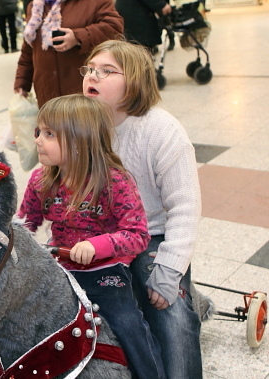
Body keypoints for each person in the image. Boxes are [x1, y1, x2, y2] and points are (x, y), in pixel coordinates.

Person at [18, 94, 165, 379]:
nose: (37, 140)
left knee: (128, 324)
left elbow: (138, 235)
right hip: (58, 269)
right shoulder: (41, 179)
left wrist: (95, 246)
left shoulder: (115, 182)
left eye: (49, 134)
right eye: (39, 131)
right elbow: (27, 221)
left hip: (105, 272)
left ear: (79, 142)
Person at [82, 39, 203, 378]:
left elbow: (185, 207)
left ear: (134, 81)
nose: (93, 76)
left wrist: (169, 269)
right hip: (101, 235)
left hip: (154, 235)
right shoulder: (84, 126)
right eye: (90, 69)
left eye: (107, 71)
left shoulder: (161, 130)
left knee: (172, 315)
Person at [14, 0, 124, 109]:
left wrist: (78, 37)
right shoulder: (36, 5)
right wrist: (22, 82)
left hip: (83, 91)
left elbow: (115, 27)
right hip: (47, 93)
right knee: (54, 132)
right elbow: (28, 49)